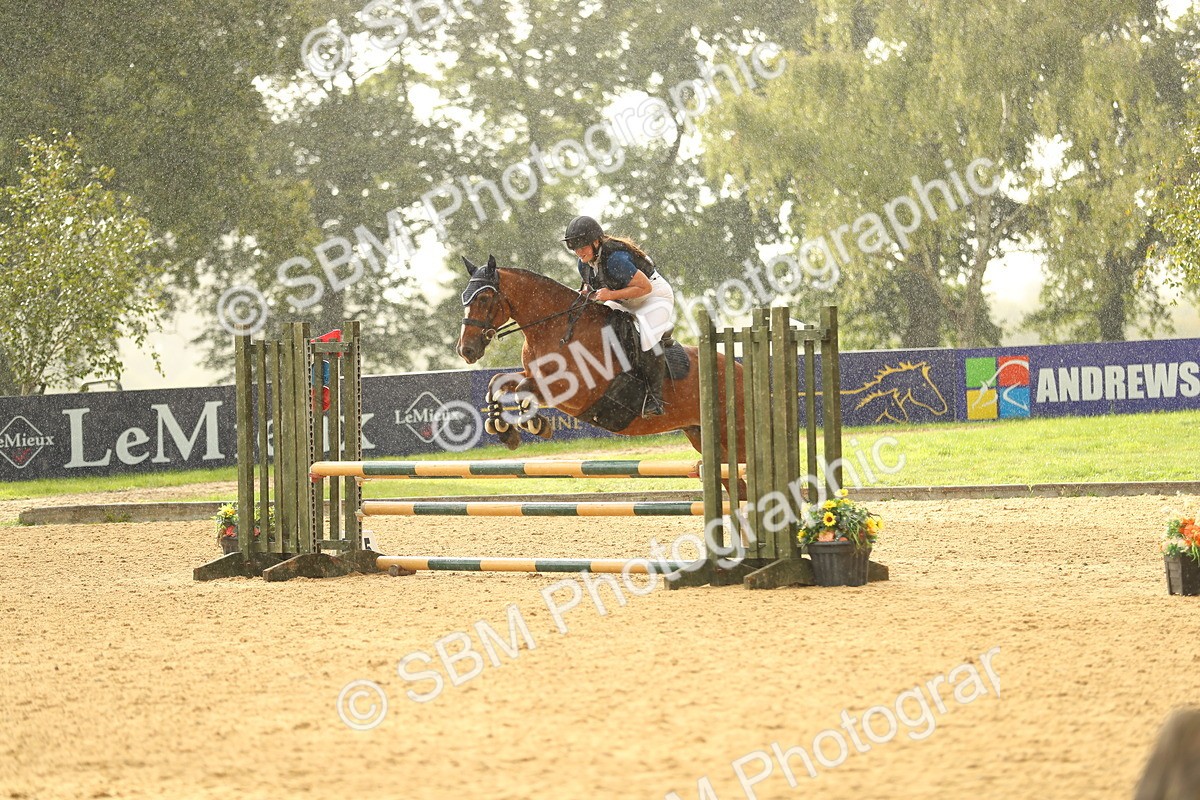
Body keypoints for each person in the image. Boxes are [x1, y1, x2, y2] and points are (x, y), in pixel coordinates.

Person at [562, 215, 676, 416]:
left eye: (582, 246)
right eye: (575, 248)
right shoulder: (584, 264)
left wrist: (611, 295)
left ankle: (655, 399)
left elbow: (645, 287)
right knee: (602, 326)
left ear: (596, 242)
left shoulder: (616, 259)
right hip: (626, 299)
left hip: (654, 296)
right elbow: (594, 287)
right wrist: (585, 294)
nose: (579, 252)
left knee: (647, 339)